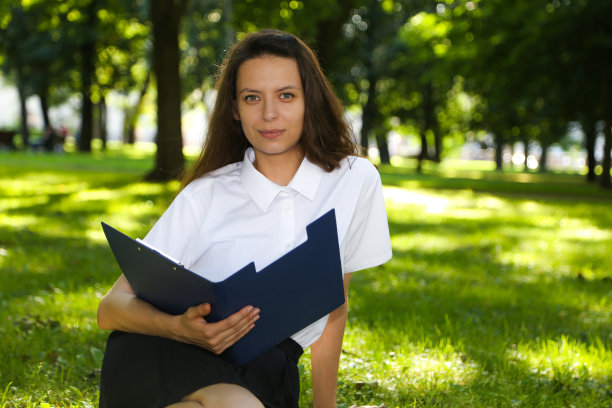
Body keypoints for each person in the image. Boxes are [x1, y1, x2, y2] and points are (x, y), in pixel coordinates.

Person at [97, 29, 392, 408]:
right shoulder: (207, 193)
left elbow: (335, 304)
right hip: (165, 350)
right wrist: (180, 329)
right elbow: (110, 308)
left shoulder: (354, 179)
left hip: (268, 366)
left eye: (286, 95)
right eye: (252, 98)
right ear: (235, 110)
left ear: (310, 101)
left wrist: (325, 405)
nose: (269, 114)